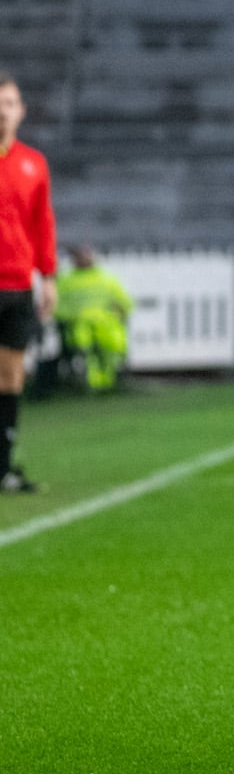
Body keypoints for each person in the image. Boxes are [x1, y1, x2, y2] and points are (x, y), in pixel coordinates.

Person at [0, 73, 57, 495]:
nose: (3, 111)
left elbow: (42, 223)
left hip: (18, 284)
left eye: (9, 103)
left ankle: (3, 466)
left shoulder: (32, 163)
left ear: (21, 111)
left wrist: (49, 276)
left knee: (10, 376)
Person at [56, 245, 133, 392]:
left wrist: (120, 311)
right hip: (79, 325)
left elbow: (124, 303)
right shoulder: (67, 282)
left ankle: (107, 384)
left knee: (109, 347)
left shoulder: (106, 279)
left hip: (106, 325)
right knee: (87, 348)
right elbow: (58, 308)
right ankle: (95, 385)